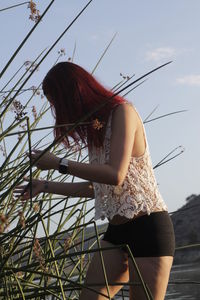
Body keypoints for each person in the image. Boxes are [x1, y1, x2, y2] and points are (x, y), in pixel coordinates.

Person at [14, 62, 175, 300]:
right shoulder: (97, 129)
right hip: (117, 231)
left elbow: (115, 174)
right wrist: (45, 186)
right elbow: (97, 188)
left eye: (57, 101)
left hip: (148, 229)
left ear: (74, 93)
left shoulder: (124, 112)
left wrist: (59, 163)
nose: (57, 109)